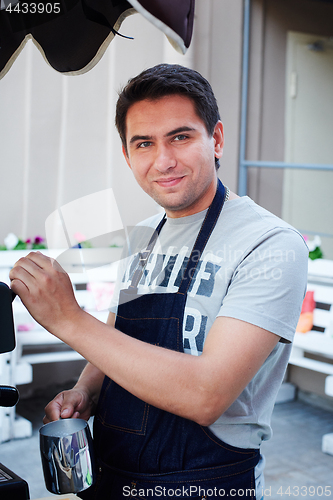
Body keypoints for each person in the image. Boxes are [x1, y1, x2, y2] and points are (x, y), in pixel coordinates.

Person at [10, 64, 308, 500]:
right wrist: (84, 391)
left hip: (208, 485)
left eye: (181, 137)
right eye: (144, 143)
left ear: (217, 139)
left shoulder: (269, 244)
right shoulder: (142, 237)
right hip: (114, 476)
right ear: (128, 156)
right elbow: (117, 337)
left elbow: (206, 395)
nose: (163, 160)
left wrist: (69, 319)